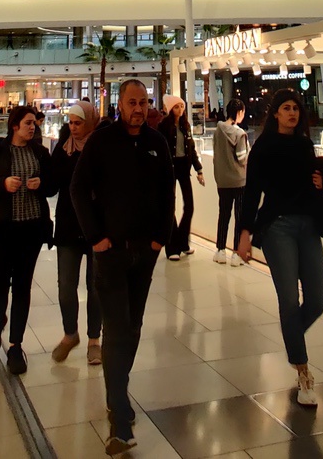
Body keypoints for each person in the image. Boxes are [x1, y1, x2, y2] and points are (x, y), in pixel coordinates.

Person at [70, 79, 174, 456]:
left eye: (144, 102)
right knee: (115, 329)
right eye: (132, 102)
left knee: (132, 327)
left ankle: (117, 393)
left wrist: (161, 238)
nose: (139, 109)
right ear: (120, 104)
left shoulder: (156, 142)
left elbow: (167, 192)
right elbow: (78, 189)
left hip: (144, 253)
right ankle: (120, 417)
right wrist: (96, 237)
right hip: (111, 253)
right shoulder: (102, 141)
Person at [234, 89, 323, 407]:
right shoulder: (264, 146)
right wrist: (244, 233)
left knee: (317, 301)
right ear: (276, 113)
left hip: (308, 225)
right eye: (286, 108)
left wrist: (321, 184)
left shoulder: (305, 145)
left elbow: (313, 183)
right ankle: (303, 372)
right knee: (289, 300)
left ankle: (291, 338)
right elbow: (252, 191)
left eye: (296, 108)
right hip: (277, 227)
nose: (292, 112)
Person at [0, 105, 56, 376]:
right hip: (1, 231)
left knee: (22, 287)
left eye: (34, 123)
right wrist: (2, 184)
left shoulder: (40, 153)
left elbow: (53, 186)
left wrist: (41, 184)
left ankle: (15, 345)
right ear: (15, 125)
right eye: (28, 123)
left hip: (30, 231)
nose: (33, 127)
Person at [48, 101, 102, 365]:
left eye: (78, 123)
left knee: (96, 286)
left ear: (90, 122)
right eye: (70, 122)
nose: (73, 127)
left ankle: (94, 340)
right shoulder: (64, 148)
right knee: (66, 286)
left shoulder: (100, 148)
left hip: (96, 226)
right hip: (68, 226)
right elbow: (52, 183)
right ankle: (70, 333)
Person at [160, 95, 205, 261]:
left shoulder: (186, 126)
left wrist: (199, 169)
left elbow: (191, 149)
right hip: (169, 169)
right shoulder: (164, 126)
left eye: (181, 106)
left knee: (189, 206)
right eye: (176, 107)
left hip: (184, 168)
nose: (180, 109)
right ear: (170, 109)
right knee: (169, 206)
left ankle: (182, 242)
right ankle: (172, 247)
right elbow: (161, 149)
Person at [212, 98, 249, 264]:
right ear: (239, 112)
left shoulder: (218, 130)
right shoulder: (239, 134)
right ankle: (236, 253)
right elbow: (242, 158)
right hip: (239, 181)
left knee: (224, 214)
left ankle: (220, 250)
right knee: (239, 217)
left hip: (222, 180)